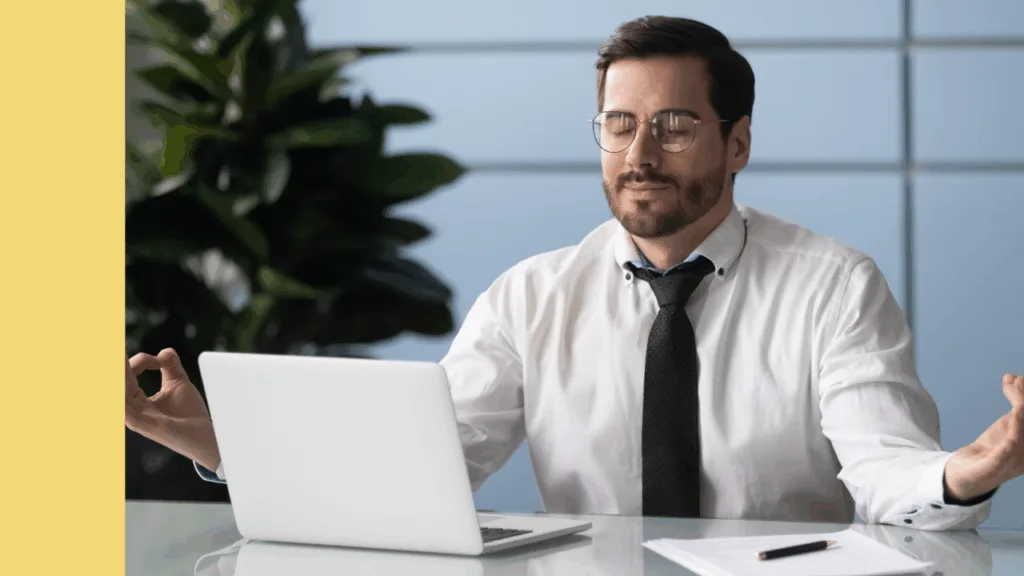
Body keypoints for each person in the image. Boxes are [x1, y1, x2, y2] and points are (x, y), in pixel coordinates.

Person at [125, 16, 1024, 530]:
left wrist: (969, 470)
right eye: (617, 124)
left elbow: (888, 475)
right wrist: (218, 444)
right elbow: (414, 479)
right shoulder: (531, 297)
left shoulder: (834, 286)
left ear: (738, 140)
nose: (640, 153)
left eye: (673, 124)